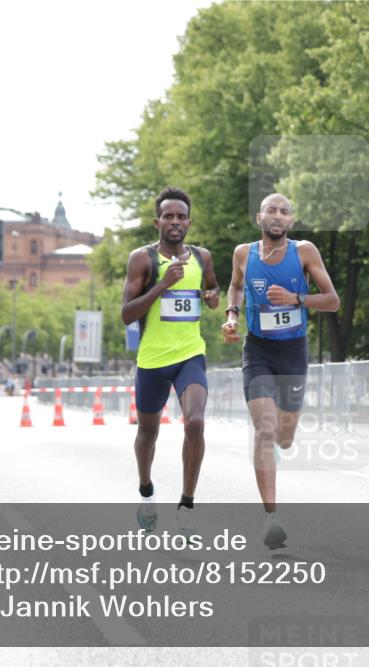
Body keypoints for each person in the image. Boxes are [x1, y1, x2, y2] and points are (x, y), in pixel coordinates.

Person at [222, 193, 340, 549]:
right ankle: (271, 518)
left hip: (292, 352)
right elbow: (235, 287)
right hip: (257, 350)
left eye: (284, 212)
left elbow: (333, 301)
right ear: (259, 217)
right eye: (271, 210)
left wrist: (297, 299)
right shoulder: (243, 254)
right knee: (265, 430)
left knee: (284, 438)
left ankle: (279, 446)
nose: (277, 215)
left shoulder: (304, 252)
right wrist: (232, 316)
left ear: (291, 221)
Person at [121, 186, 220, 536]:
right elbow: (127, 314)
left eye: (181, 217)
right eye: (168, 216)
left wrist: (212, 297)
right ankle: (146, 492)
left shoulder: (202, 257)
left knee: (195, 422)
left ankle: (187, 505)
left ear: (189, 222)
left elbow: (212, 288)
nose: (175, 222)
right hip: (152, 360)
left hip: (190, 355)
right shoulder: (142, 259)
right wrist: (163, 284)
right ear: (157, 222)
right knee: (148, 433)